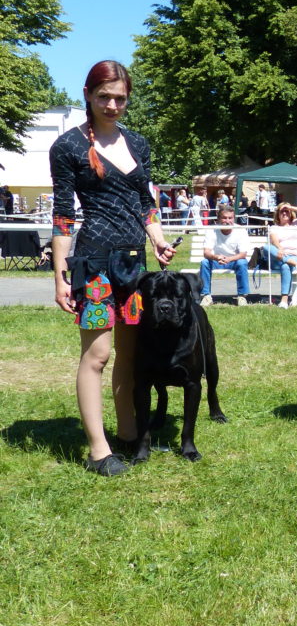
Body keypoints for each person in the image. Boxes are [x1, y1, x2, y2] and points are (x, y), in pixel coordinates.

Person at [49, 60, 177, 476]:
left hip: (133, 265)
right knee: (98, 354)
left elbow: (146, 202)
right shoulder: (67, 146)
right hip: (94, 264)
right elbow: (63, 216)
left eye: (120, 98)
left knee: (131, 352)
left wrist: (158, 239)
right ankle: (98, 451)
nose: (112, 105)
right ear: (87, 94)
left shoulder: (138, 142)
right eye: (104, 96)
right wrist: (60, 277)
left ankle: (128, 433)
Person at [199, 205, 250, 307]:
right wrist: (216, 257)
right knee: (205, 262)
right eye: (224, 218)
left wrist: (229, 259)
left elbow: (243, 254)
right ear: (218, 219)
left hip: (234, 260)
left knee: (242, 263)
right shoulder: (211, 230)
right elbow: (206, 252)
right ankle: (206, 296)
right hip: (217, 260)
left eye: (230, 218)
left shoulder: (241, 231)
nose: (227, 221)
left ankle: (242, 296)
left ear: (233, 218)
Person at [266, 201, 297, 309]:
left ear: (291, 212)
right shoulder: (274, 228)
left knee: (285, 266)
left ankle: (284, 301)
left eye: (287, 211)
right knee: (266, 248)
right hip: (279, 256)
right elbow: (274, 241)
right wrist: (280, 248)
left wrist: (291, 207)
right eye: (282, 211)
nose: (284, 213)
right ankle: (293, 263)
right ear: (278, 214)